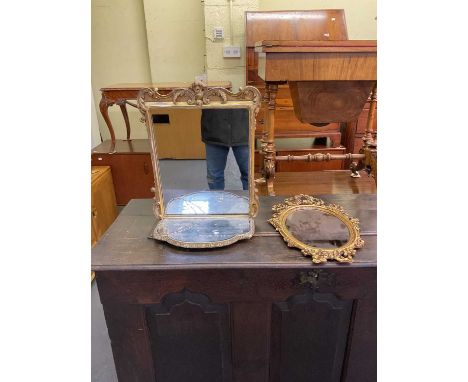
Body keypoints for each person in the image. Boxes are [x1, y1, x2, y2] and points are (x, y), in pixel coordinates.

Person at [201, 108, 249, 190]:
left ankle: (250, 202)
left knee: (249, 174)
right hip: (214, 127)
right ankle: (217, 201)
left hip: (244, 126)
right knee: (214, 176)